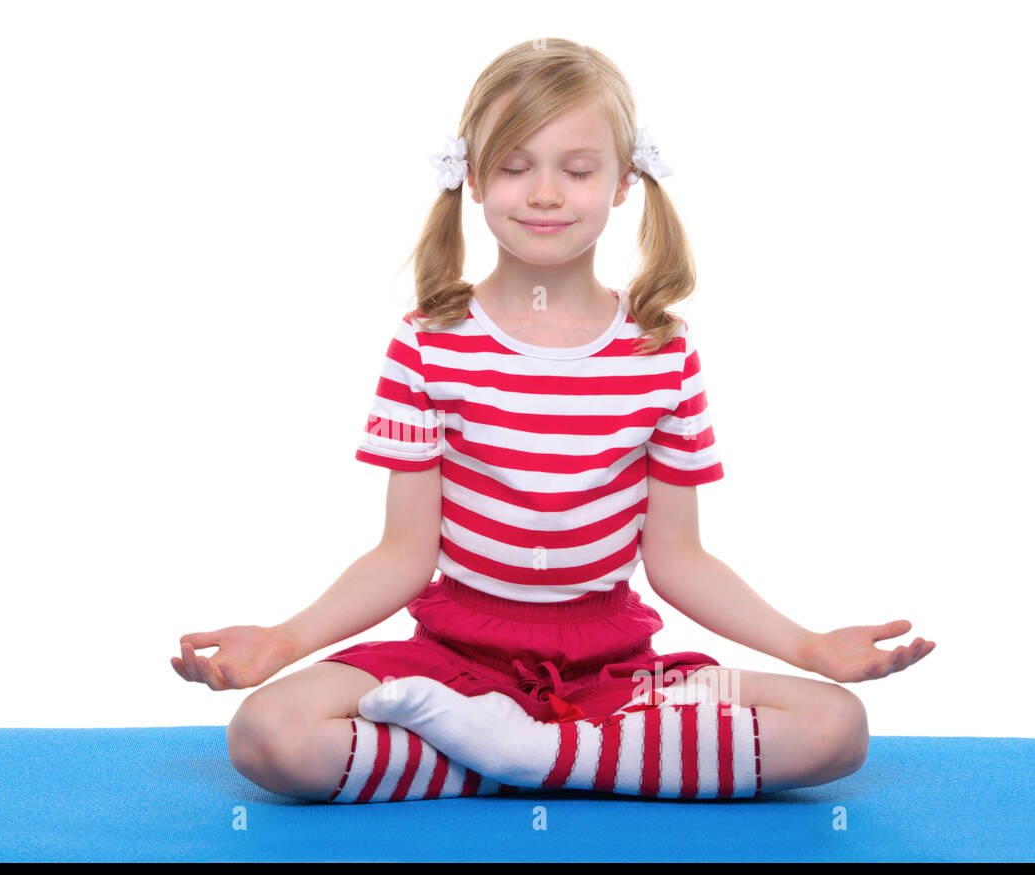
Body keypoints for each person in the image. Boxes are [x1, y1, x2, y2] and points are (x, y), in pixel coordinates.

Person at [172, 38, 934, 803]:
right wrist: (285, 638)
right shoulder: (428, 343)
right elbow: (404, 552)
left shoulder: (660, 350)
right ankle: (568, 755)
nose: (544, 193)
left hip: (613, 670)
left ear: (625, 181)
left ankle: (510, 755)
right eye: (512, 165)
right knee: (269, 732)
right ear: (471, 176)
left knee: (835, 724)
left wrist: (809, 645)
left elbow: (678, 558)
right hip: (455, 663)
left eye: (576, 169)